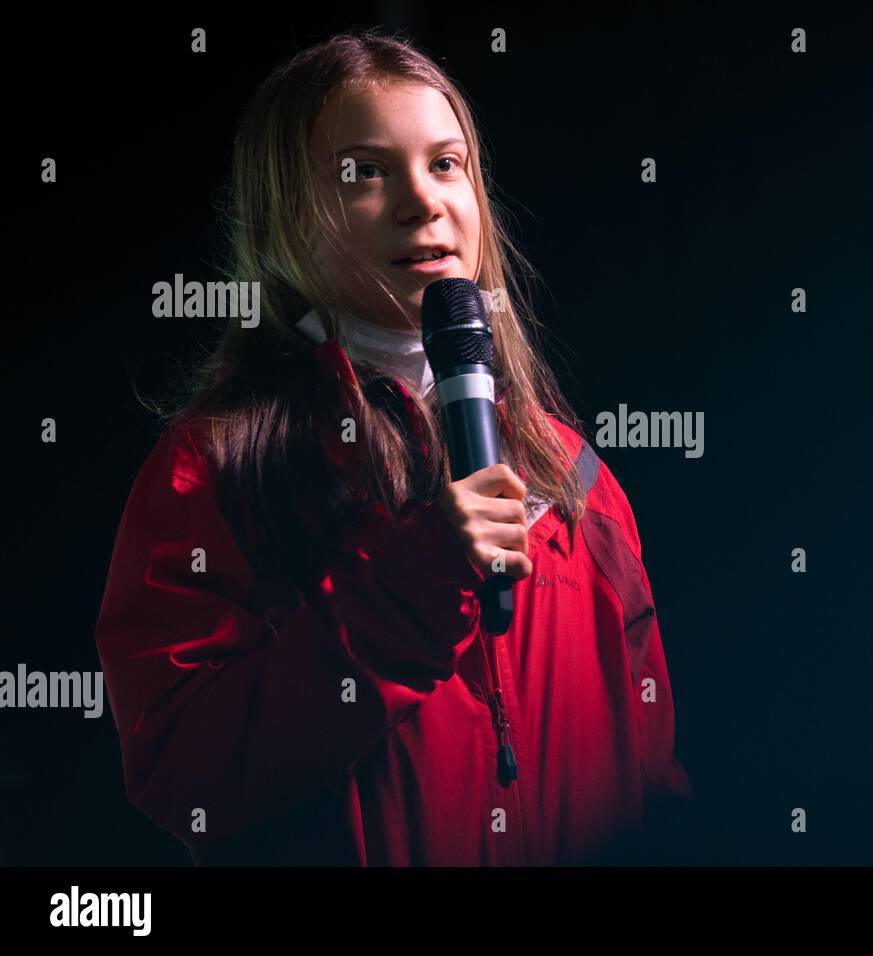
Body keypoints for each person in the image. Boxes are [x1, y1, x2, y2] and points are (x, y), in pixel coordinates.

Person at [93, 29, 692, 866]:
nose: (422, 200)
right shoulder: (218, 469)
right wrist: (418, 581)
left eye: (446, 164)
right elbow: (185, 771)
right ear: (286, 217)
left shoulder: (575, 475)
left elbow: (652, 770)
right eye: (365, 173)